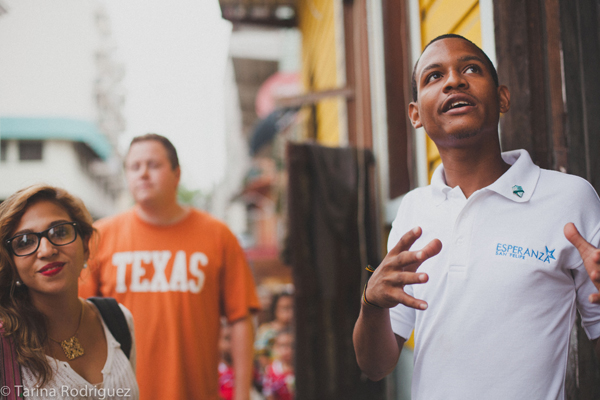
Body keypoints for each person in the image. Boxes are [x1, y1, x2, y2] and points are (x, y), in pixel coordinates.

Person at [353, 34, 600, 399]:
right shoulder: (413, 210)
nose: (454, 80)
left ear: (502, 98)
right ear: (415, 114)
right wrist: (371, 305)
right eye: (433, 76)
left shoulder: (569, 198)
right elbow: (375, 367)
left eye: (471, 68)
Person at [79, 134, 260, 400]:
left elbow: (241, 318)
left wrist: (242, 393)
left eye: (153, 165)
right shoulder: (100, 237)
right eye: (134, 167)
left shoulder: (218, 235)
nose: (143, 174)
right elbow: (78, 320)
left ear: (177, 173)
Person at [0, 184, 138, 399]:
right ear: (11, 262)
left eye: (60, 231)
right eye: (25, 242)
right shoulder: (4, 340)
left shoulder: (118, 320)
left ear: (85, 245)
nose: (46, 250)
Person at [262, 328, 295, 400]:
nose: (287, 349)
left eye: (291, 345)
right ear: (276, 347)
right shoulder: (270, 371)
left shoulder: (303, 369)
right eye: (282, 345)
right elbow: (269, 396)